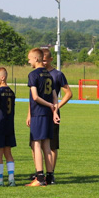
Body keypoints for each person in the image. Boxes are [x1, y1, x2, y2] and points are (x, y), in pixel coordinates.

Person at [25, 48, 59, 187]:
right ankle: (50, 177)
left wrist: (50, 105)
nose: (28, 61)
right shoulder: (49, 75)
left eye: (30, 59)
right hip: (47, 115)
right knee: (46, 145)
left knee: (36, 144)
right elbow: (55, 95)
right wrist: (54, 111)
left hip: (38, 113)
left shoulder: (33, 75)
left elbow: (35, 97)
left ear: (36, 59)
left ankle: (39, 177)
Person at [42, 48, 73, 184]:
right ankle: (39, 172)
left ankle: (51, 173)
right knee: (36, 143)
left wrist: (57, 106)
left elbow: (69, 93)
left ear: (50, 59)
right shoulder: (36, 74)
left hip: (53, 114)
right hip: (39, 113)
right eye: (40, 60)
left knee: (52, 145)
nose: (42, 63)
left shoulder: (58, 74)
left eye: (44, 60)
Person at [0, 67, 17, 187]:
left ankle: (0, 180)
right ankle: (11, 179)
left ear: (3, 77)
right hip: (9, 125)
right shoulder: (11, 91)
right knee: (8, 153)